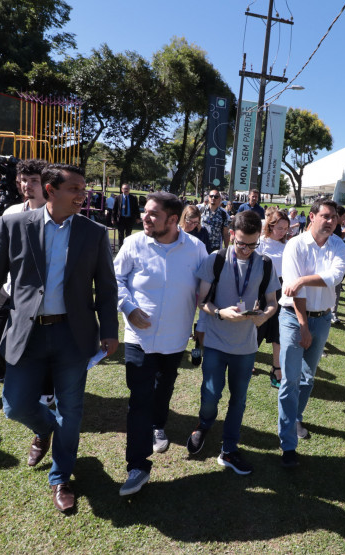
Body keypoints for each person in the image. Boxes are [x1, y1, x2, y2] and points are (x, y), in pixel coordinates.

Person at [0, 164, 119, 513]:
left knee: (71, 411)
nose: (83, 194)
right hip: (26, 332)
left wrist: (109, 330)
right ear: (50, 190)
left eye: (84, 188)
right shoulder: (15, 225)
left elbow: (106, 287)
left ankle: (61, 478)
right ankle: (45, 429)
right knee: (14, 405)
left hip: (73, 334)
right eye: (75, 188)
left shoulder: (93, 232)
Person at [115, 192, 208, 496]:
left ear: (172, 219)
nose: (145, 217)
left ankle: (159, 425)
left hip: (175, 339)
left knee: (163, 387)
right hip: (138, 339)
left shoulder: (196, 249)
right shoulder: (133, 243)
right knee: (139, 399)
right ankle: (137, 466)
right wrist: (128, 306)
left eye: (153, 214)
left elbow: (205, 294)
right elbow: (114, 280)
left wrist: (203, 327)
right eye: (145, 211)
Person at [186, 211, 280, 474]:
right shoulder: (215, 260)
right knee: (211, 393)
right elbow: (201, 300)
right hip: (216, 342)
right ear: (231, 236)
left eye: (253, 244)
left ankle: (229, 448)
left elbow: (272, 302)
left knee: (238, 399)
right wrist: (218, 312)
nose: (247, 250)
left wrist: (265, 315)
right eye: (241, 244)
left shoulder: (266, 263)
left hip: (246, 347)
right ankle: (204, 425)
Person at [277, 199, 345, 468]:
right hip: (295, 319)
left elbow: (336, 276)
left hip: (323, 318)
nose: (331, 221)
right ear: (312, 217)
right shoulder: (295, 244)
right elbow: (295, 293)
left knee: (308, 377)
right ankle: (288, 445)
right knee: (290, 380)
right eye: (326, 216)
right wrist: (303, 326)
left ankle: (295, 418)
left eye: (334, 218)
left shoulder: (338, 245)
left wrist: (304, 279)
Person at [0, 158, 47, 384]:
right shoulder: (12, 212)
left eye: (34, 180)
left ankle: (42, 386)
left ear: (47, 183)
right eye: (23, 180)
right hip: (9, 288)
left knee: (34, 344)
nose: (27, 185)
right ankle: (1, 371)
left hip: (38, 293)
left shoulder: (55, 215)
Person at [257, 207, 291, 387]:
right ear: (270, 226)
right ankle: (248, 361)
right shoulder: (260, 243)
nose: (283, 232)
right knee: (256, 329)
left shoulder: (288, 246)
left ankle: (276, 368)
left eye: (286, 228)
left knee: (278, 331)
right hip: (261, 291)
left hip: (280, 291)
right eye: (280, 228)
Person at [111, 184, 140, 249]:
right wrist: (113, 218)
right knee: (120, 234)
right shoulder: (118, 198)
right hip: (121, 219)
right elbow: (114, 209)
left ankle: (127, 248)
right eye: (124, 188)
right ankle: (120, 248)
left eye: (127, 189)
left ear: (129, 190)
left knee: (128, 234)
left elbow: (136, 209)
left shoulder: (133, 198)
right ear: (122, 189)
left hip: (130, 219)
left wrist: (138, 217)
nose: (126, 190)